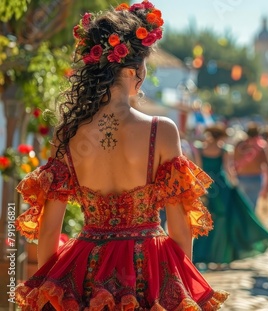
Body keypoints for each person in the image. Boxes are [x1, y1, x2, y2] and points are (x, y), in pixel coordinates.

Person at [14, 2, 228, 309]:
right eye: (143, 69)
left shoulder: (67, 135)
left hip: (87, 266)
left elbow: (49, 231)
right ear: (132, 70)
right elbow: (180, 229)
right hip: (148, 266)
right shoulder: (162, 130)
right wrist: (180, 289)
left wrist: (50, 291)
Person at [192, 125, 268, 265]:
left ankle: (201, 254)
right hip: (222, 188)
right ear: (220, 137)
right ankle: (220, 256)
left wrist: (198, 189)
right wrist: (234, 184)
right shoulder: (225, 150)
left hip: (206, 187)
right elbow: (228, 170)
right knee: (223, 220)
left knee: (205, 220)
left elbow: (199, 170)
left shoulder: (200, 150)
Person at [233, 122, 268, 210]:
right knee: (252, 207)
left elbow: (233, 161)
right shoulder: (262, 146)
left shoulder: (239, 145)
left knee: (241, 207)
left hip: (240, 178)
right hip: (255, 178)